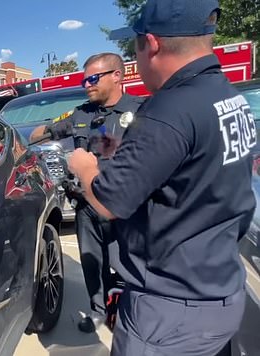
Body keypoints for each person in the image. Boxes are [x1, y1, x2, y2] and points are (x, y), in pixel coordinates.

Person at [67, 0, 256, 354]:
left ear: (151, 44)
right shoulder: (230, 97)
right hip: (220, 291)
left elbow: (110, 202)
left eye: (135, 48)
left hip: (170, 312)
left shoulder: (167, 110)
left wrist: (84, 166)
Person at [32, 52, 144, 333]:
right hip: (87, 205)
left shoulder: (142, 110)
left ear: (117, 76)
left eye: (93, 79)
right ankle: (98, 311)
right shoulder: (82, 113)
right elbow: (41, 134)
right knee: (92, 263)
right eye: (85, 80)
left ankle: (134, 312)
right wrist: (34, 132)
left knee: (130, 263)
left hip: (124, 206)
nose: (87, 84)